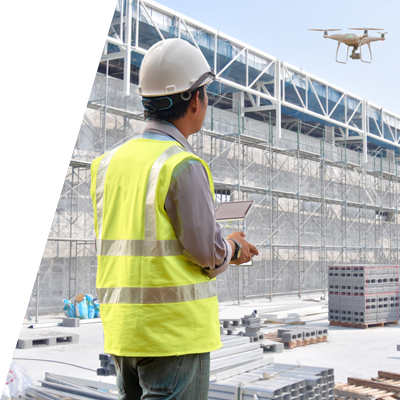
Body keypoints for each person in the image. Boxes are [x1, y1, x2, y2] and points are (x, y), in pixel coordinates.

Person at [90, 38, 258, 400]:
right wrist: (234, 246)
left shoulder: (106, 163)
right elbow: (207, 254)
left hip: (123, 332)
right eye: (206, 94)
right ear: (195, 99)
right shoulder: (182, 164)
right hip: (172, 337)